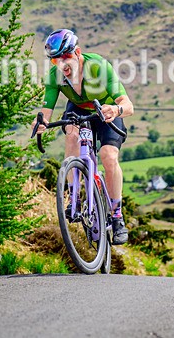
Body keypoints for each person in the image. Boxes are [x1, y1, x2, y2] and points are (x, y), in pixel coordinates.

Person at [33, 29, 135, 245]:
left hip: (105, 109)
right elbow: (47, 110)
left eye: (66, 57)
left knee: (108, 156)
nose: (62, 65)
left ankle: (117, 216)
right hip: (78, 109)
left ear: (77, 52)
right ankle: (74, 197)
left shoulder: (97, 67)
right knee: (71, 134)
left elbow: (128, 105)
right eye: (55, 60)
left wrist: (115, 111)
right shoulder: (55, 77)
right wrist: (40, 122)